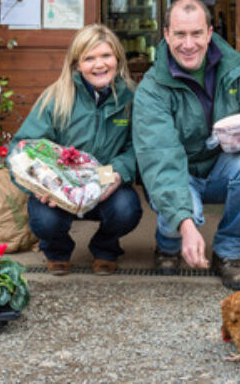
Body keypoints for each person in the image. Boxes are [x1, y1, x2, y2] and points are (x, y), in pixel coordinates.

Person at [133, 0, 240, 290]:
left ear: (209, 32)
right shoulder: (152, 89)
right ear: (166, 35)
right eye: (179, 34)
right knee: (181, 212)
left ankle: (228, 253)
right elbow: (161, 160)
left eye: (196, 34)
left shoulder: (237, 69)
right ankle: (168, 244)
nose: (188, 44)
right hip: (178, 173)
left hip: (221, 167)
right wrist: (186, 225)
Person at [10, 23, 142, 276]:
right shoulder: (56, 97)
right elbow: (21, 147)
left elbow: (138, 147)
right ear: (76, 64)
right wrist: (41, 183)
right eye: (89, 58)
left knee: (127, 209)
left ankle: (105, 248)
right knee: (44, 220)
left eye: (106, 56)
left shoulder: (130, 98)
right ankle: (57, 249)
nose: (99, 65)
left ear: (117, 58)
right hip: (61, 184)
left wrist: (115, 175)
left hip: (104, 180)